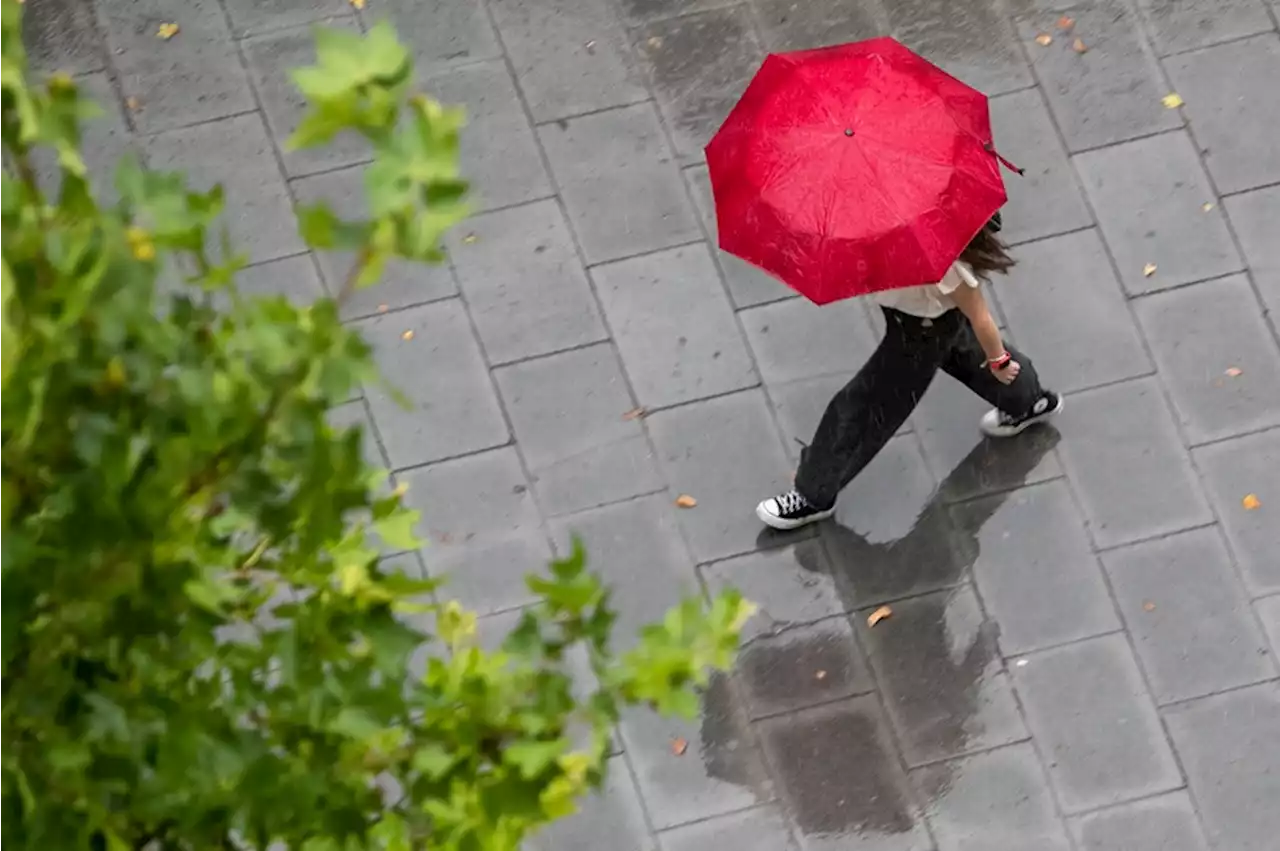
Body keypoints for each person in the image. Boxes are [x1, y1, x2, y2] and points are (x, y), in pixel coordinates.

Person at [756, 212, 1062, 530]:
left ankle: (813, 493)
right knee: (961, 350)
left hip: (920, 333)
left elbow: (981, 317)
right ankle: (1028, 400)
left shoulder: (948, 266)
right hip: (921, 321)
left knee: (862, 407)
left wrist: (999, 361)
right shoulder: (897, 232)